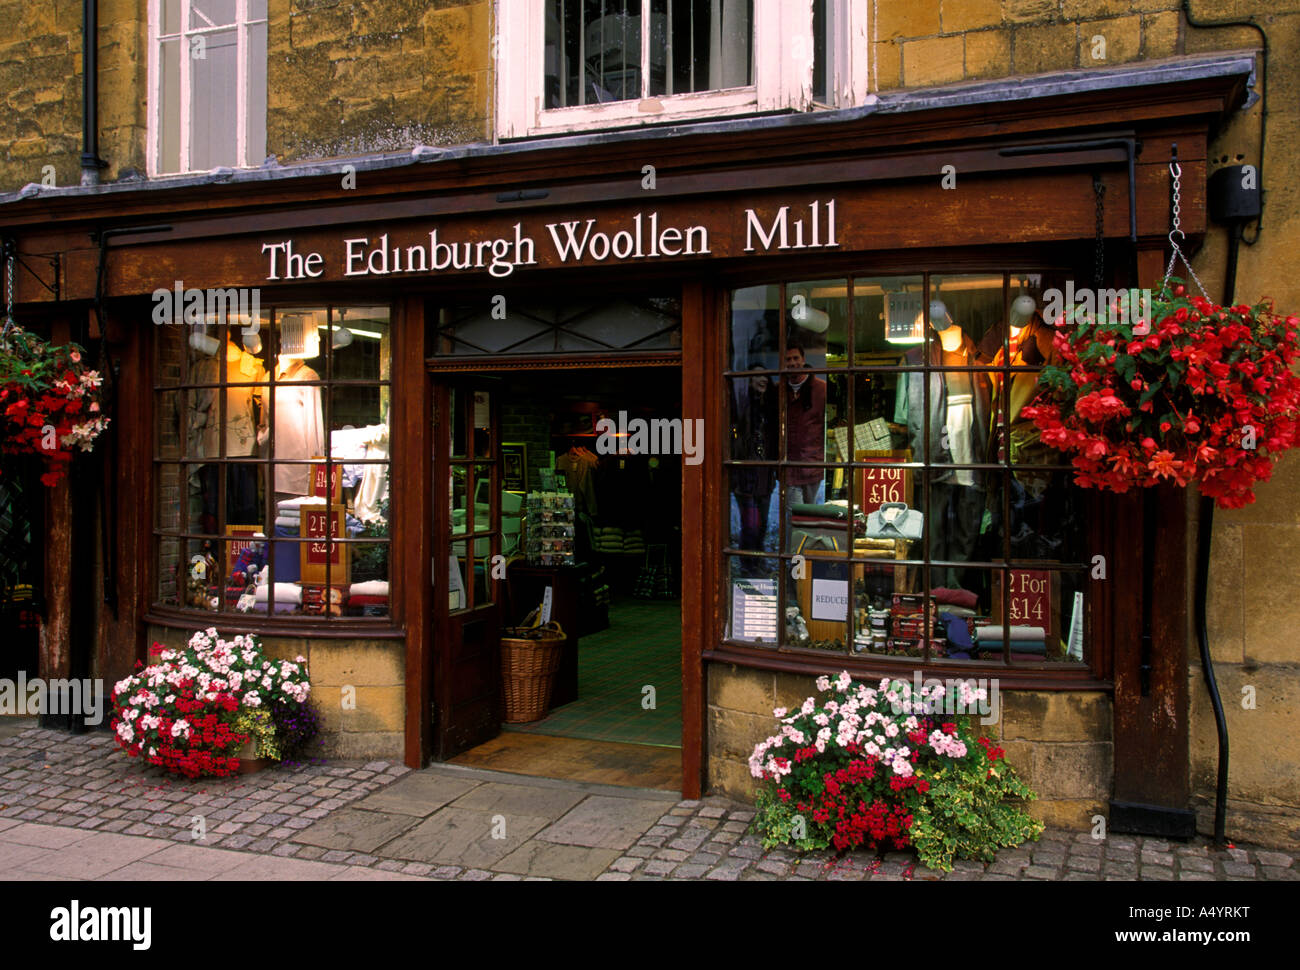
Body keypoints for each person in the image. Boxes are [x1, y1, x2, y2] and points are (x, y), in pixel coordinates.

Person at [782, 339, 827, 552]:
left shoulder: (821, 389)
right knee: (795, 517)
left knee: (810, 515)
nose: (792, 363)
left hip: (813, 463)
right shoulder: (779, 390)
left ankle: (809, 561)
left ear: (803, 360)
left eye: (795, 358)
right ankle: (795, 563)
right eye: (788, 359)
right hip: (790, 466)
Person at [731, 369, 778, 569]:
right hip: (745, 475)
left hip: (764, 475)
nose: (763, 379)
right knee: (750, 523)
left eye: (765, 376)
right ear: (749, 381)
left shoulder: (770, 408)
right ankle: (747, 562)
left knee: (762, 523)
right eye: (758, 376)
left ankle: (756, 560)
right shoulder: (742, 407)